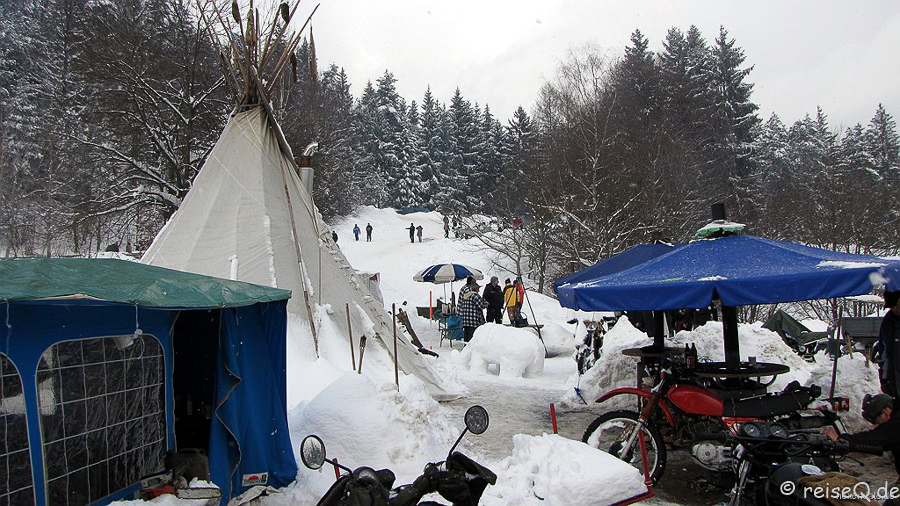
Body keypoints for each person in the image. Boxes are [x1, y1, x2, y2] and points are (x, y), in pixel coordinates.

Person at [823, 393, 900, 477]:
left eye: (878, 422)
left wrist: (841, 439)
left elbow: (877, 438)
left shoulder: (896, 424)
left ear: (885, 412)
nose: (879, 426)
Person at [877, 291, 900, 397]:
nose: (893, 309)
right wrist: (884, 379)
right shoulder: (888, 322)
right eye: (891, 306)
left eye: (895, 305)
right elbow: (884, 353)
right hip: (893, 380)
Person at [458, 276, 488, 343]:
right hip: (473, 321)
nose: (479, 290)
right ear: (475, 289)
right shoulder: (475, 296)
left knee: (466, 338)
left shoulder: (466, 296)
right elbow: (481, 306)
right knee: (473, 339)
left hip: (465, 321)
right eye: (478, 289)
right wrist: (486, 304)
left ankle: (466, 348)